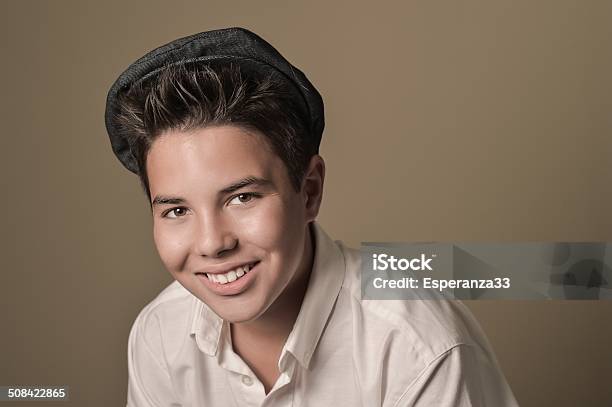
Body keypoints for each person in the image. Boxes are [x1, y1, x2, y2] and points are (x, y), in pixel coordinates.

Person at [104, 27, 519, 406]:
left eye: (242, 198)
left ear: (309, 191)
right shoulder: (160, 332)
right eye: (177, 210)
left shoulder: (415, 343)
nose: (213, 243)